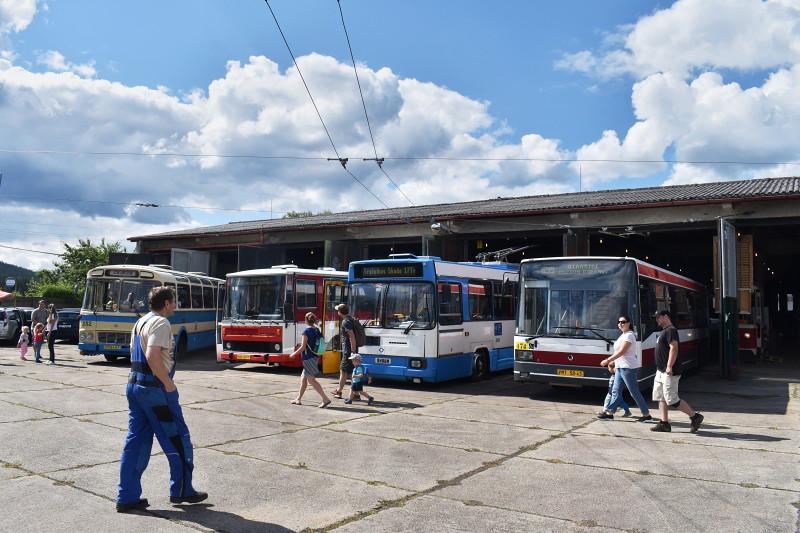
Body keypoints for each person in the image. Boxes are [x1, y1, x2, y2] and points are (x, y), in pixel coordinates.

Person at [117, 287, 208, 513]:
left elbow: (136, 355)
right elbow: (152, 355)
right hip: (155, 389)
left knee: (135, 442)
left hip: (135, 386)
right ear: (166, 303)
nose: (175, 306)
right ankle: (182, 490)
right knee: (178, 438)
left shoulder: (141, 322)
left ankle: (126, 497)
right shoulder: (161, 323)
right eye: (174, 302)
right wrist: (167, 382)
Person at [650, 310, 704, 433]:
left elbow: (674, 348)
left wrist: (669, 366)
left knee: (672, 399)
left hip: (669, 371)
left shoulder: (671, 330)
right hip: (661, 371)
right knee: (661, 397)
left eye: (659, 317)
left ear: (666, 317)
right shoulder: (665, 331)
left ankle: (695, 417)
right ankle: (664, 423)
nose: (657, 320)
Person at [598, 315, 652, 421]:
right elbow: (618, 352)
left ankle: (646, 415)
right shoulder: (623, 335)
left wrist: (608, 360)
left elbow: (622, 351)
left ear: (628, 323)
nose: (620, 324)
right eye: (619, 322)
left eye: (623, 322)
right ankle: (609, 413)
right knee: (615, 390)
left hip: (628, 368)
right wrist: (614, 361)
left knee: (634, 392)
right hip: (620, 367)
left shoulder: (629, 335)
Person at [288, 312, 332, 408]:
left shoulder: (306, 332)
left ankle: (325, 399)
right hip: (315, 356)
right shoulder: (317, 330)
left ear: (306, 320)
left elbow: (303, 347)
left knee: (311, 380)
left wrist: (294, 354)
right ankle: (298, 399)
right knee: (303, 379)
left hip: (308, 358)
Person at [332, 303, 359, 400]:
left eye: (337, 311)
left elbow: (351, 336)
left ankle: (339, 392)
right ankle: (356, 394)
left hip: (349, 351)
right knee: (352, 372)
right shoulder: (351, 319)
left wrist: (353, 351)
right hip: (351, 350)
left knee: (343, 371)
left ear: (340, 312)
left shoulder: (345, 322)